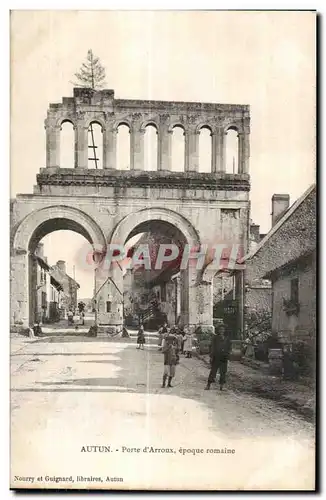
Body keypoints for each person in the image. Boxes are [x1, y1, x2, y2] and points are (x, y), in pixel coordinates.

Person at [205, 324, 232, 391]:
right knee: (213, 371)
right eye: (220, 329)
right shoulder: (215, 338)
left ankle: (221, 386)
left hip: (224, 357)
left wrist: (228, 355)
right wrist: (211, 356)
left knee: (223, 372)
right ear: (218, 330)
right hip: (216, 356)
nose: (221, 331)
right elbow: (212, 347)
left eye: (223, 329)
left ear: (225, 330)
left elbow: (229, 347)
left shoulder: (227, 338)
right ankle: (208, 385)